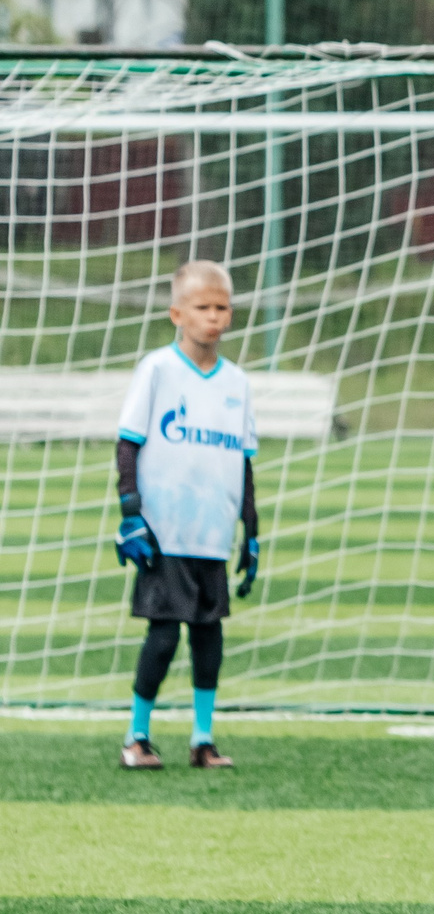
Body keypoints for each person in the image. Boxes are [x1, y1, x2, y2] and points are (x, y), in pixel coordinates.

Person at [115, 261, 261, 771]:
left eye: (222, 308)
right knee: (162, 634)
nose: (214, 317)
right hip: (163, 532)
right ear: (177, 313)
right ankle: (137, 736)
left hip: (212, 536)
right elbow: (128, 443)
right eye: (203, 308)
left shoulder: (237, 382)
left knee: (209, 636)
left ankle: (203, 739)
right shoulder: (158, 370)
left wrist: (252, 532)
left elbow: (242, 459)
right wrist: (130, 511)